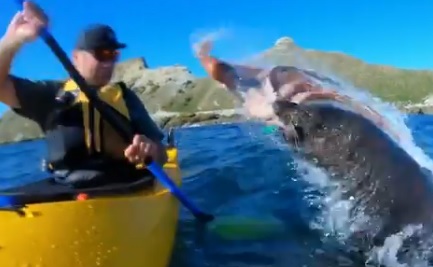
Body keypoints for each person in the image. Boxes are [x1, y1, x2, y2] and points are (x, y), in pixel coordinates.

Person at [0, 1, 167, 187]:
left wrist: (151, 151)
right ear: (76, 57)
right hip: (66, 190)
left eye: (113, 55)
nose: (108, 63)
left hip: (124, 186)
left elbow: (162, 153)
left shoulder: (125, 97)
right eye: (102, 54)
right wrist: (12, 40)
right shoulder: (51, 95)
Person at [195, 39, 402, 141]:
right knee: (274, 116)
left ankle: (380, 120)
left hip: (276, 91)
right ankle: (379, 120)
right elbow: (273, 123)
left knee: (317, 92)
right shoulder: (256, 106)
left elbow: (313, 93)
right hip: (272, 104)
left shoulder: (268, 90)